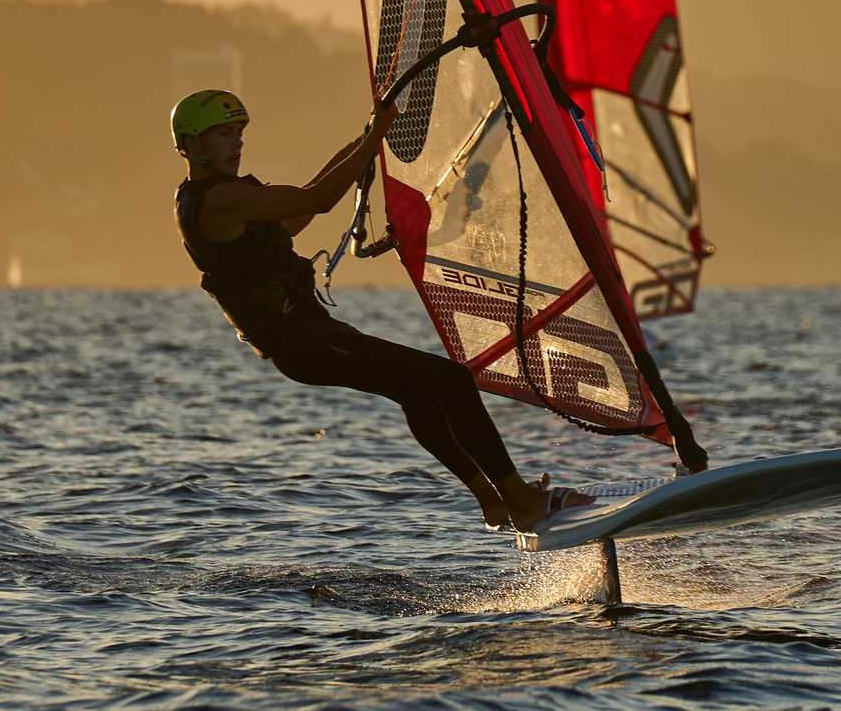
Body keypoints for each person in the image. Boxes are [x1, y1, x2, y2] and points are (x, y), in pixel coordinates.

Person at [171, 88, 589, 532]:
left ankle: (494, 501)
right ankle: (521, 500)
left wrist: (369, 138)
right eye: (224, 134)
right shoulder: (220, 201)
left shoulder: (225, 196)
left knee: (419, 393)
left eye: (239, 132)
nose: (237, 142)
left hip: (312, 335)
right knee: (450, 381)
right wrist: (373, 140)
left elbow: (294, 219)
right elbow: (318, 199)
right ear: (193, 143)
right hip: (305, 344)